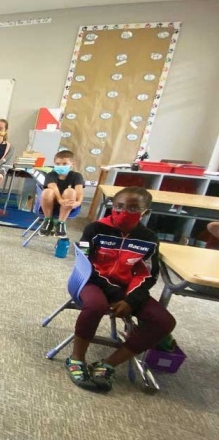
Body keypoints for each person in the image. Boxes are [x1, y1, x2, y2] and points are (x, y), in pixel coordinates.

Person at [65, 187, 176, 392]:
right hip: (92, 282)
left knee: (164, 321)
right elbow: (83, 261)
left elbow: (149, 274)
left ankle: (107, 365)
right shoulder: (94, 229)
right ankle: (76, 358)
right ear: (112, 207)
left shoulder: (149, 238)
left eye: (133, 208)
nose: (124, 211)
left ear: (146, 212)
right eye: (119, 206)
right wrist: (116, 294)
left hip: (128, 290)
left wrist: (132, 300)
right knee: (95, 306)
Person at [38, 150, 85, 238]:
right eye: (58, 164)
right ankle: (48, 220)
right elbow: (53, 188)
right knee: (47, 191)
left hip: (69, 205)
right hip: (50, 204)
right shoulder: (51, 175)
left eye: (64, 164)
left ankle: (61, 223)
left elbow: (79, 191)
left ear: (72, 165)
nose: (61, 166)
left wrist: (78, 203)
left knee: (70, 191)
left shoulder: (77, 176)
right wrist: (60, 200)